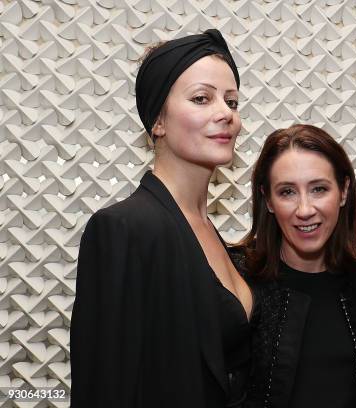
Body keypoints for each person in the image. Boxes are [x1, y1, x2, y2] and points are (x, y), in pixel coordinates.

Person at [70, 29, 252, 407]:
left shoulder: (210, 232)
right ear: (158, 122)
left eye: (232, 102)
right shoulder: (124, 228)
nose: (225, 113)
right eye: (202, 98)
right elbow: (104, 385)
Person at [235, 124, 356, 408]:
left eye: (319, 189)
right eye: (287, 192)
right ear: (268, 200)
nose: (304, 210)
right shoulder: (237, 276)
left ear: (344, 191)